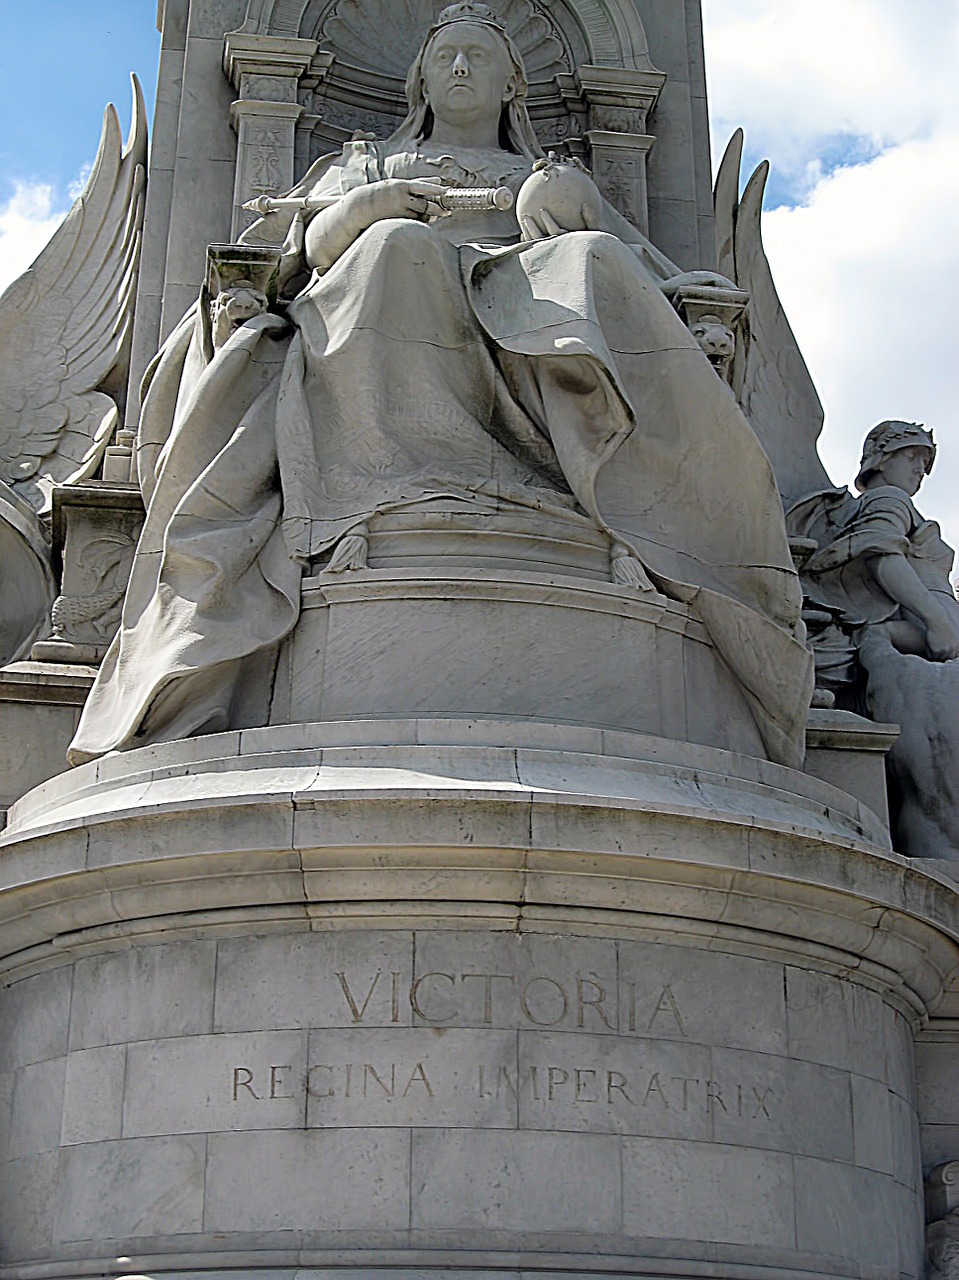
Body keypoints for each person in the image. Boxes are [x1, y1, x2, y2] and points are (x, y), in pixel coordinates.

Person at [68, 1, 813, 768]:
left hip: (527, 307)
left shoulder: (549, 176)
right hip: (390, 299)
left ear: (513, 84)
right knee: (398, 250)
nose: (460, 68)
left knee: (585, 264)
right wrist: (368, 207)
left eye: (479, 56)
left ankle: (570, 501)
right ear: (420, 78)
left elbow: (643, 269)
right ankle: (393, 496)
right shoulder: (365, 163)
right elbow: (305, 246)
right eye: (446, 55)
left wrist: (566, 217)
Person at [788, 421, 959, 859]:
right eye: (913, 459)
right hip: (922, 632)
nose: (919, 472)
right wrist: (936, 621)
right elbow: (882, 555)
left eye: (925, 465)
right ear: (882, 458)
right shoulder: (888, 498)